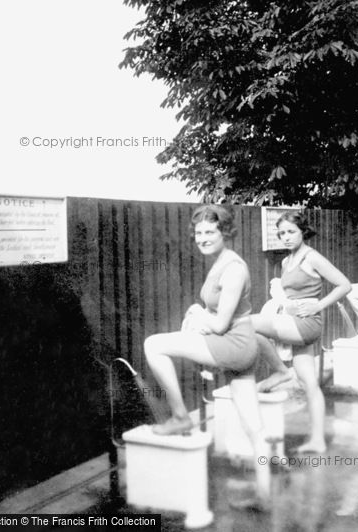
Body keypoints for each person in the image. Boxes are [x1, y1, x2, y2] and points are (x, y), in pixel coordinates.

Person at [143, 204, 270, 507]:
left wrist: (198, 312)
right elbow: (215, 314)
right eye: (198, 233)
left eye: (210, 232)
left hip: (234, 343)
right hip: (239, 344)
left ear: (224, 232)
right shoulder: (220, 261)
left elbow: (219, 323)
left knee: (153, 345)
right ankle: (264, 496)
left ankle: (179, 416)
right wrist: (199, 313)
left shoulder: (234, 268)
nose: (203, 238)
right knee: (256, 428)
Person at [251, 211, 351, 454]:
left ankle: (280, 372)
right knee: (309, 383)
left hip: (307, 323)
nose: (286, 237)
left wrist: (319, 304)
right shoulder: (286, 262)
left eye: (291, 232)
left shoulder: (312, 257)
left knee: (248, 323)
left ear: (302, 232)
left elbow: (344, 284)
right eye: (282, 233)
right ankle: (318, 440)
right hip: (291, 320)